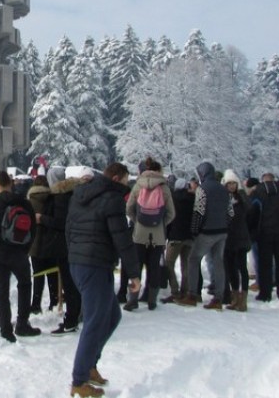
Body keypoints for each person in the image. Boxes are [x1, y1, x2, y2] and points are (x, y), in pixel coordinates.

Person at [66, 162, 141, 398]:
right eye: (126, 180)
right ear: (116, 178)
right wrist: (134, 273)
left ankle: (89, 364)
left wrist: (74, 254)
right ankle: (79, 381)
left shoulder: (80, 194)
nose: (128, 184)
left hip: (84, 262)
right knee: (95, 321)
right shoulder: (112, 199)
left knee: (112, 316)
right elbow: (122, 238)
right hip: (93, 264)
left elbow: (69, 229)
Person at [0, 171, 39, 342]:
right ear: (11, 184)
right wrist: (25, 249)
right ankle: (22, 324)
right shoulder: (24, 203)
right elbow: (33, 229)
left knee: (2, 291)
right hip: (19, 252)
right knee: (25, 285)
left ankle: (6, 329)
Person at [176, 162, 233, 310]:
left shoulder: (202, 189)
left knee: (193, 259)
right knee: (218, 262)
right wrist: (224, 225)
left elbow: (198, 212)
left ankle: (192, 295)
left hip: (207, 232)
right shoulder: (224, 189)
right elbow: (230, 212)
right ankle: (218, 298)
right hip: (222, 232)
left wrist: (195, 230)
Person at [38, 166, 85, 334]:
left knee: (69, 284)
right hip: (73, 243)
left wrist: (42, 218)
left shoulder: (60, 197)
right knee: (74, 282)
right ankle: (78, 313)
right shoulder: (72, 194)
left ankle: (71, 319)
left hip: (63, 245)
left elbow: (60, 222)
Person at [125, 157, 175, 311]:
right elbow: (171, 213)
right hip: (157, 236)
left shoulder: (138, 185)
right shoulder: (164, 188)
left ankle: (133, 299)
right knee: (154, 268)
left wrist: (138, 221)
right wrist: (160, 224)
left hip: (139, 234)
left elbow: (129, 208)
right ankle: (152, 300)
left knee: (136, 267)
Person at [246, 174, 279, 301]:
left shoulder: (257, 192)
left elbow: (251, 212)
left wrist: (251, 229)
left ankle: (265, 293)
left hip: (263, 232)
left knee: (265, 264)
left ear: (262, 181)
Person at [26, 175, 59, 314]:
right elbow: (57, 221)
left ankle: (36, 304)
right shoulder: (53, 199)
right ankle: (54, 301)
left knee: (37, 275)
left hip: (35, 244)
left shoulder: (29, 202)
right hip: (51, 243)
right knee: (53, 275)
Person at [221, 170, 252, 311]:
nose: (232, 186)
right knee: (231, 268)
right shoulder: (223, 198)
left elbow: (249, 211)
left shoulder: (242, 198)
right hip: (228, 238)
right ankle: (235, 296)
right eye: (229, 183)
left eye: (234, 183)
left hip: (240, 237)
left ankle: (243, 299)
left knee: (242, 267)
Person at [162, 178, 195, 303]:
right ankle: (185, 291)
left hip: (175, 237)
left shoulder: (172, 199)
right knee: (185, 264)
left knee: (169, 263)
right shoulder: (193, 199)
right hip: (189, 237)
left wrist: (166, 235)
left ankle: (175, 291)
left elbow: (168, 218)